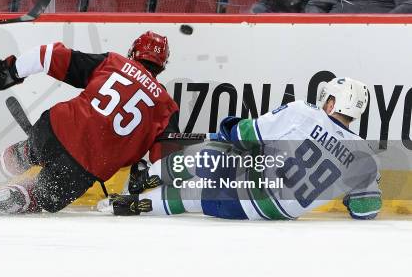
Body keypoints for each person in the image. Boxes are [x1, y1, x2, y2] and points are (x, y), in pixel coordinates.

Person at [0, 32, 179, 216]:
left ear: (132, 52)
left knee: (27, 152)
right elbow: (164, 163)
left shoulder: (113, 62)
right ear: (163, 66)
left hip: (56, 128)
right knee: (41, 195)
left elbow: (48, 56)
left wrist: (13, 70)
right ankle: (14, 194)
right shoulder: (166, 107)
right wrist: (140, 174)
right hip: (85, 166)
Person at [102, 77, 382, 221]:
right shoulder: (366, 159)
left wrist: (229, 127)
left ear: (331, 103)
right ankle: (134, 205)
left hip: (246, 185)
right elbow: (365, 209)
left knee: (214, 149)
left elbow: (245, 135)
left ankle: (147, 177)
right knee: (195, 196)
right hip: (267, 214)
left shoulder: (303, 112)